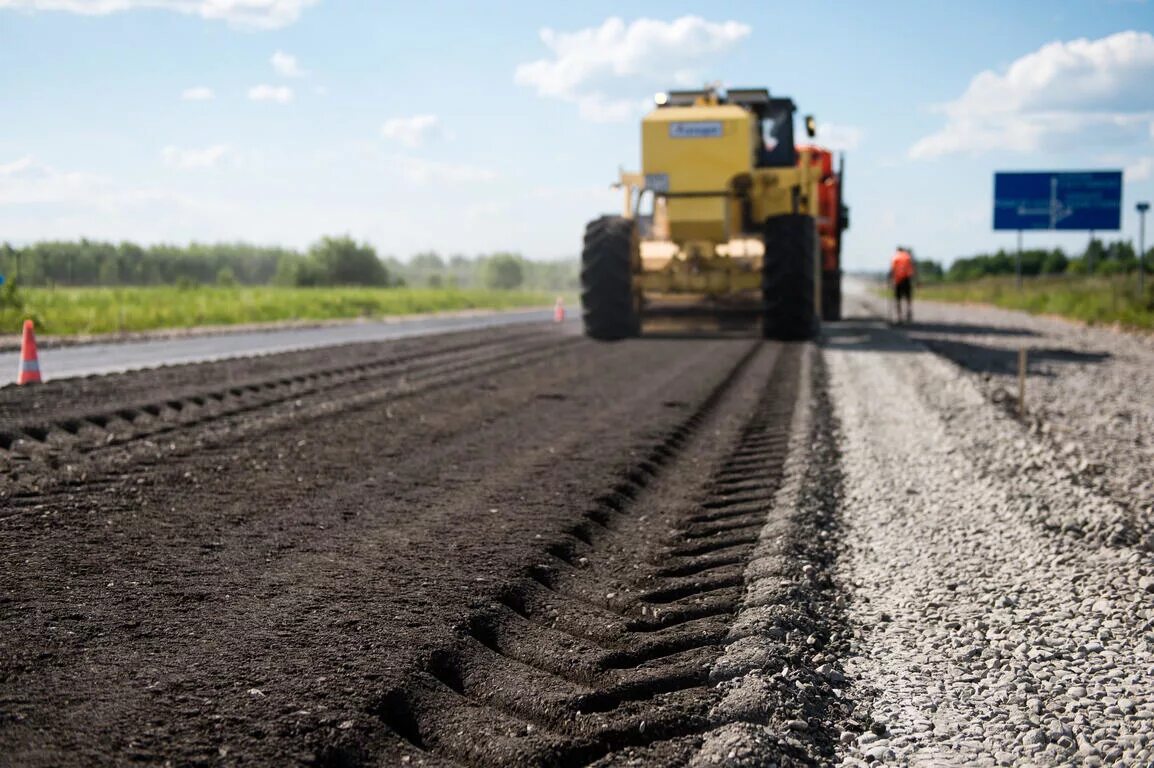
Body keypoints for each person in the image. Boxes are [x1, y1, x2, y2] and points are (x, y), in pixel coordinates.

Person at [889, 246, 916, 323]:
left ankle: (899, 316)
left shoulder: (895, 257)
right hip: (907, 279)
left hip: (898, 281)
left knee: (898, 299)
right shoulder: (907, 256)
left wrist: (891, 280)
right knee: (908, 297)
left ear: (897, 250)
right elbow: (912, 269)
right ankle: (909, 310)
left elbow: (892, 270)